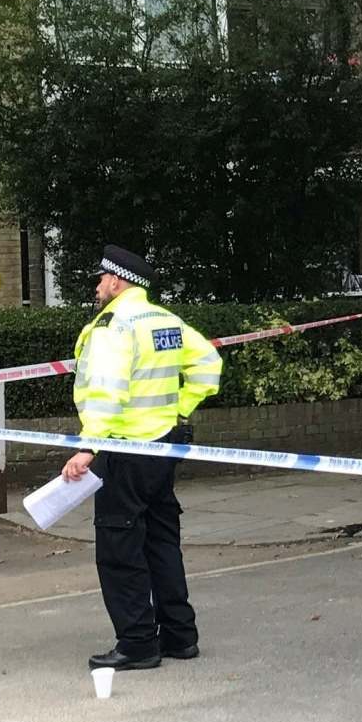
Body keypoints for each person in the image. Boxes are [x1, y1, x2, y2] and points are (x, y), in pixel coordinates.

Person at [62, 244, 223, 671]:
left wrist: (87, 447)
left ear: (116, 281)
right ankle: (179, 635)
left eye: (101, 279)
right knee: (161, 540)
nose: (97, 287)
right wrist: (180, 409)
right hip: (163, 447)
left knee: (119, 547)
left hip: (124, 450)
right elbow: (209, 366)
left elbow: (106, 391)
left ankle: (136, 643)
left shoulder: (115, 326)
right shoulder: (166, 321)